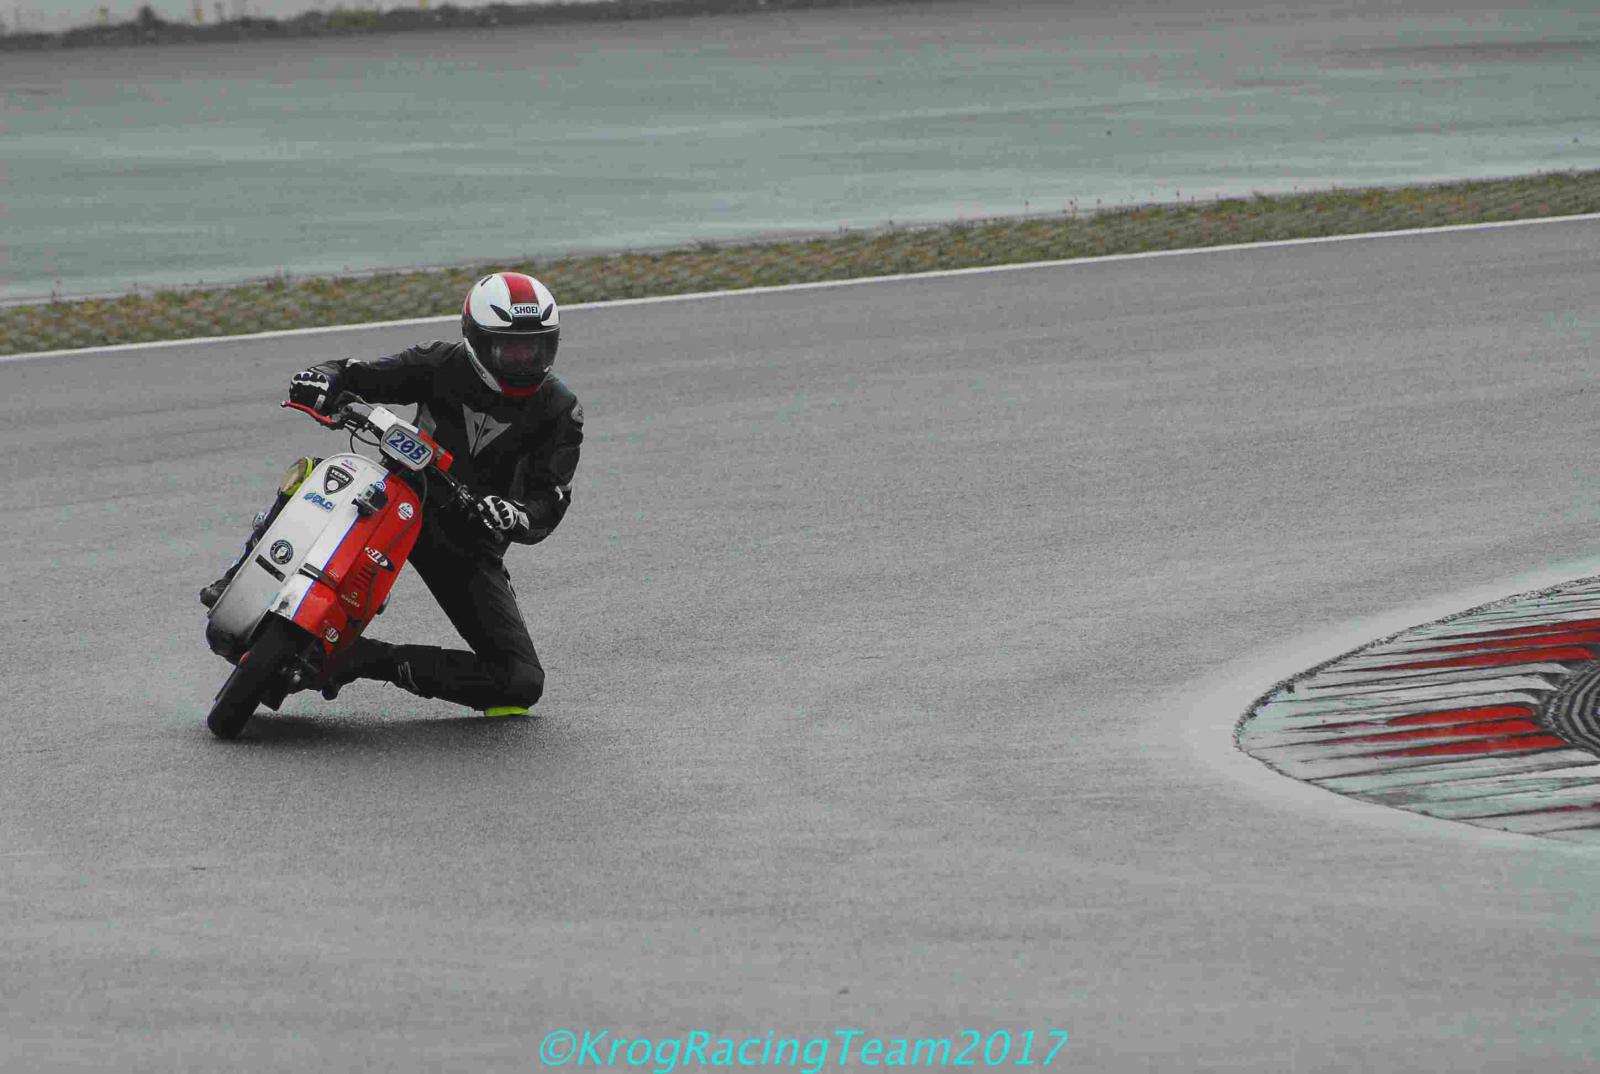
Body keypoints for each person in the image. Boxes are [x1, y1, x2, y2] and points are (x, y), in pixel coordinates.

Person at [200, 271, 583, 715]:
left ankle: (363, 659)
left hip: (467, 538)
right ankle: (239, 575)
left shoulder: (560, 409)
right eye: (511, 349)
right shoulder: (440, 362)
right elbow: (357, 374)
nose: (524, 360)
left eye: (536, 347)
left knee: (520, 682)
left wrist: (516, 515)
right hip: (399, 494)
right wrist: (322, 378)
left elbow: (552, 498)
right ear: (477, 340)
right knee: (321, 473)